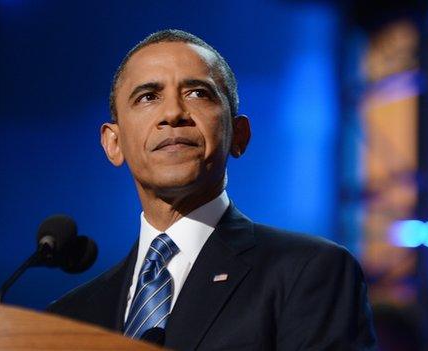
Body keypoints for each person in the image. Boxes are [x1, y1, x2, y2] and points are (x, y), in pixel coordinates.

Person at [47, 29, 376, 350]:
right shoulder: (69, 317)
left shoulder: (308, 272)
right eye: (148, 97)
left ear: (239, 135)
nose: (173, 113)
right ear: (113, 143)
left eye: (197, 93)